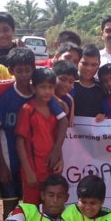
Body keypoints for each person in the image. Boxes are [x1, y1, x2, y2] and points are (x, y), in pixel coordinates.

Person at [0, 47, 66, 207]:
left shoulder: (43, 95)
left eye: (28, 70)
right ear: (11, 71)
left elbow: (62, 121)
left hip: (41, 161)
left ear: (33, 69)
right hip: (11, 158)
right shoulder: (6, 97)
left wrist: (58, 152)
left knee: (45, 203)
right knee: (12, 204)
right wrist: (2, 165)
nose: (24, 75)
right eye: (19, 71)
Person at [16, 68, 64, 204]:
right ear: (34, 88)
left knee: (51, 207)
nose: (47, 91)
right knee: (31, 209)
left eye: (50, 87)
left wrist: (60, 159)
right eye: (43, 87)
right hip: (33, 170)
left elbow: (56, 138)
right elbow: (19, 141)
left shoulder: (54, 110)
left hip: (51, 169)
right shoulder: (27, 109)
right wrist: (28, 171)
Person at [72, 44, 105, 118]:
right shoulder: (70, 84)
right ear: (77, 62)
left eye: (94, 65)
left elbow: (107, 110)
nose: (89, 68)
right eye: (85, 64)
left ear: (99, 64)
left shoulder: (101, 88)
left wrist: (103, 116)